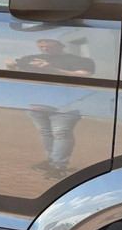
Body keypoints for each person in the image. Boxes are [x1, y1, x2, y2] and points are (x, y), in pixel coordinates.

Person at [6, 39, 95, 180]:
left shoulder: (79, 60)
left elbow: (85, 75)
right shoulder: (31, 59)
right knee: (46, 133)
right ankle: (51, 161)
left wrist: (51, 69)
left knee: (61, 134)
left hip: (65, 105)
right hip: (37, 105)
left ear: (61, 45)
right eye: (41, 46)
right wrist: (10, 65)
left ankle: (59, 167)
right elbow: (15, 69)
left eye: (49, 46)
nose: (45, 49)